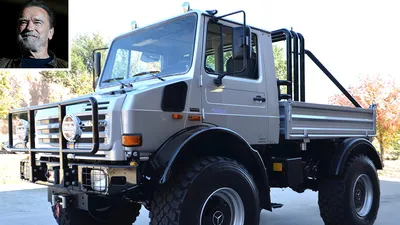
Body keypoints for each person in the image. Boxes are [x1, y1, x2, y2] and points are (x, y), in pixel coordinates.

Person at [0, 0, 67, 68]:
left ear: (50, 32)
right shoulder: (2, 65)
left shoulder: (65, 66)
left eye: (37, 22)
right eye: (23, 22)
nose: (29, 28)